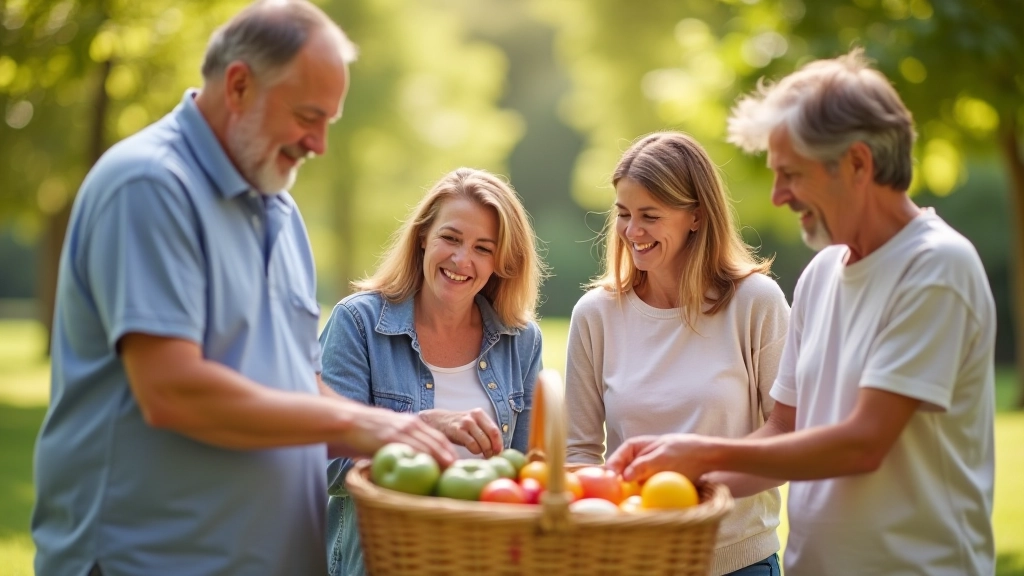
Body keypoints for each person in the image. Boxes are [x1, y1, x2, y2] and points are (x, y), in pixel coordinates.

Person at [31, 2, 456, 575]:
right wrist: (360, 424)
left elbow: (294, 387)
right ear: (238, 85)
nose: (319, 143)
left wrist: (394, 429)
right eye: (309, 116)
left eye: (329, 121)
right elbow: (171, 389)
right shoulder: (150, 185)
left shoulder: (278, 207)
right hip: (150, 560)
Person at [607, 49, 996, 576]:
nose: (778, 195)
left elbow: (863, 443)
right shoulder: (822, 274)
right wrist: (668, 491)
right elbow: (783, 431)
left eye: (791, 173)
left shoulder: (935, 268)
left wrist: (701, 452)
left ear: (858, 163)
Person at [565, 131, 790, 575]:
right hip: (631, 563)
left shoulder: (755, 303)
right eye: (624, 214)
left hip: (738, 563)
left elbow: (787, 438)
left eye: (650, 215)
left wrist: (688, 490)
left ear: (696, 216)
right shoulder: (596, 315)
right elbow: (579, 453)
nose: (633, 231)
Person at [318, 167, 546, 576]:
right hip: (382, 561)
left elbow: (530, 473)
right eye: (451, 238)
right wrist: (419, 428)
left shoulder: (521, 340)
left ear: (501, 261)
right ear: (423, 237)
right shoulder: (359, 322)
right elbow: (322, 464)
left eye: (483, 248)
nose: (462, 260)